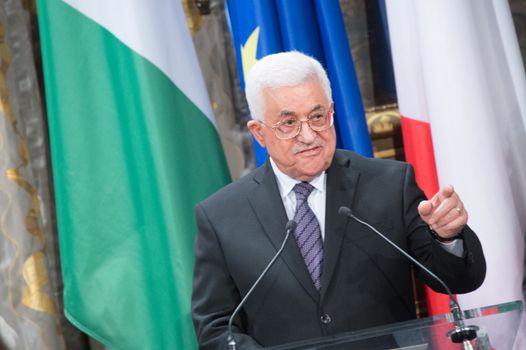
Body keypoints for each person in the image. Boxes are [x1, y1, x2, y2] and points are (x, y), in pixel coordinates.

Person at [191, 51, 486, 349]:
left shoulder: (390, 184)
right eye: (289, 123)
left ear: (331, 112)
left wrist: (447, 238)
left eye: (318, 117)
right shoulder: (221, 217)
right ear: (259, 133)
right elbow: (215, 327)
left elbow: (457, 280)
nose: (308, 135)